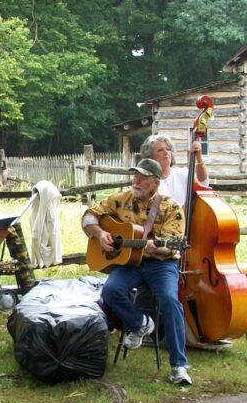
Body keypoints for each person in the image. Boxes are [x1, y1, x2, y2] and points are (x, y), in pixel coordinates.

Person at [82, 158, 192, 385]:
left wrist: (158, 247)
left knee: (170, 301)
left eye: (142, 177)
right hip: (131, 263)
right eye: (135, 175)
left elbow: (175, 243)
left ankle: (179, 366)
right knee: (110, 290)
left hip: (160, 264)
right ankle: (140, 323)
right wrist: (100, 234)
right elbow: (88, 216)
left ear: (155, 182)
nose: (136, 180)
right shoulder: (120, 199)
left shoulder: (171, 208)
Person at [140, 134, 208, 209]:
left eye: (168, 149)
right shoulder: (147, 181)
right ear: (150, 157)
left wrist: (199, 157)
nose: (166, 152)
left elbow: (203, 182)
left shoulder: (181, 173)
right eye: (160, 150)